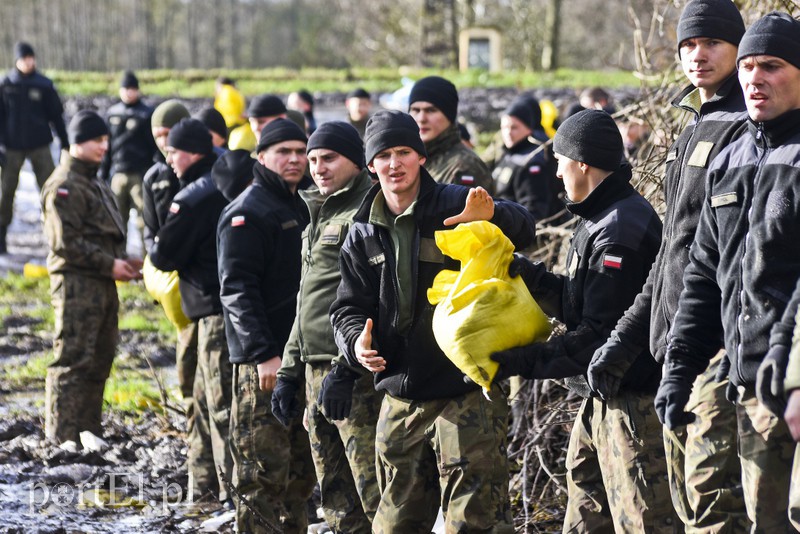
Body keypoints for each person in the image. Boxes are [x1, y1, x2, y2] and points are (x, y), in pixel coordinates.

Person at [330, 109, 536, 532]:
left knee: (475, 523)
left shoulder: (455, 203)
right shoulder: (361, 231)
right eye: (383, 155)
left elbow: (525, 228)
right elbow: (348, 307)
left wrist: (492, 215)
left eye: (404, 152)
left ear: (421, 156)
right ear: (370, 166)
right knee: (394, 525)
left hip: (465, 392)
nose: (394, 163)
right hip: (400, 397)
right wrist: (355, 344)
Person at [586, 2, 749, 531]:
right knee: (683, 511)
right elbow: (672, 258)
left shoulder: (748, 129)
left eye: (712, 43)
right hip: (674, 355)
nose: (698, 55)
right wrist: (625, 342)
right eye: (688, 45)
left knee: (716, 512)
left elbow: (726, 259)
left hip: (720, 356)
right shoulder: (691, 130)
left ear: (739, 49)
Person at [489, 109, 672, 532]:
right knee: (585, 514)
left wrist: (523, 361)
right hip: (600, 396)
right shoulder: (598, 216)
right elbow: (581, 304)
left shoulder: (620, 230)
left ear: (583, 163)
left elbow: (599, 336)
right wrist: (531, 277)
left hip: (632, 405)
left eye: (560, 161)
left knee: (642, 520)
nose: (556, 173)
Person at [653, 12, 800, 531]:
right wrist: (679, 369)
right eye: (748, 67)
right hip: (737, 380)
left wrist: (788, 369)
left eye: (772, 66)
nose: (755, 78)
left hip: (788, 384)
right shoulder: (731, 157)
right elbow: (701, 273)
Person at [271, 121, 380, 532]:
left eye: (329, 158)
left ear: (355, 160)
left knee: (374, 493)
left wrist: (344, 368)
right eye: (313, 159)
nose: (317, 168)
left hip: (353, 376)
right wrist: (289, 372)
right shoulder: (319, 211)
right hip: (314, 372)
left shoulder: (367, 211)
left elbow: (377, 301)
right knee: (335, 497)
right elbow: (307, 302)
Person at [217, 119, 316, 533]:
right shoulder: (247, 211)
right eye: (283, 152)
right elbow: (237, 289)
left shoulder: (301, 203)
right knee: (261, 473)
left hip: (299, 359)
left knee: (299, 477)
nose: (294, 159)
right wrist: (263, 354)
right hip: (265, 365)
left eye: (300, 151)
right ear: (261, 157)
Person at [40, 110, 141, 444]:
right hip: (76, 284)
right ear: (77, 142)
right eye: (97, 140)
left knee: (100, 356)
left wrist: (123, 261)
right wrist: (109, 265)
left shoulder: (95, 181)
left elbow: (104, 234)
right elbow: (65, 242)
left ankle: (88, 432)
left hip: (102, 283)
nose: (104, 146)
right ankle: (62, 438)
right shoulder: (65, 185)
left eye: (106, 140)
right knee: (73, 359)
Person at [148, 118, 232, 505]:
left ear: (193, 153)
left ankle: (225, 494)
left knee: (214, 406)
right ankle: (207, 491)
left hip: (212, 312)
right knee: (206, 402)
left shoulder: (193, 197)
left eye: (173, 152)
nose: (169, 160)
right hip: (234, 307)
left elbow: (163, 255)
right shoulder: (229, 180)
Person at [0, 41, 70, 254]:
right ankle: (1, 236)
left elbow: (57, 116)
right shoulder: (6, 85)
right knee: (6, 191)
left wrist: (65, 143)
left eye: (31, 58)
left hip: (40, 145)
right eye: (24, 59)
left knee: (51, 188)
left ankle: (57, 234)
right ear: (17, 60)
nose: (28, 62)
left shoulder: (44, 85)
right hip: (12, 147)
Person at [100, 70, 158, 252]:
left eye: (132, 89)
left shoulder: (146, 114)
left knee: (144, 220)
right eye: (126, 89)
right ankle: (118, 258)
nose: (129, 93)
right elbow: (107, 147)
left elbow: (155, 147)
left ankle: (146, 258)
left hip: (140, 175)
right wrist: (103, 173)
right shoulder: (112, 114)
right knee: (117, 219)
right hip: (118, 174)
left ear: (138, 90)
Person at [408, 76, 494, 193]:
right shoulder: (412, 158)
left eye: (431, 110)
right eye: (415, 110)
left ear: (449, 115)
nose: (421, 118)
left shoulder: (465, 167)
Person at [492, 95, 562, 221]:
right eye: (504, 127)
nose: (508, 133)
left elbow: (534, 211)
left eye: (514, 127)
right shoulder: (508, 153)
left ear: (529, 129)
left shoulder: (532, 161)